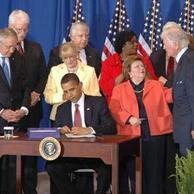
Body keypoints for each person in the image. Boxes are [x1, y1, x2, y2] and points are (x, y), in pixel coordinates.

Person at [109, 55, 173, 194]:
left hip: (154, 132)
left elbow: (169, 95)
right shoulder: (119, 89)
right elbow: (114, 109)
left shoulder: (155, 85)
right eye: (137, 67)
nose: (141, 68)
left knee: (155, 170)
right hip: (131, 134)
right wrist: (129, 118)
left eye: (142, 66)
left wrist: (183, 87)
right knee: (135, 171)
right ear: (129, 72)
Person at [46, 73, 116, 194]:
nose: (69, 94)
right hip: (71, 155)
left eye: (72, 89)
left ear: (80, 85)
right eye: (66, 91)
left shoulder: (98, 102)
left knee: (107, 168)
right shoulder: (62, 109)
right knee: (51, 166)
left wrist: (89, 129)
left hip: (96, 155)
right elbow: (55, 130)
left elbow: (111, 127)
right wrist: (60, 130)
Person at [8, 10, 48, 194]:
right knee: (10, 154)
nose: (21, 33)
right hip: (9, 110)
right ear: (9, 28)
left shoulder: (36, 48)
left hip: (32, 108)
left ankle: (30, 189)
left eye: (24, 29)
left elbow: (43, 75)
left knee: (30, 153)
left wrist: (37, 93)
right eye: (17, 29)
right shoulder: (3, 49)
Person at [0, 28, 30, 193]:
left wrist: (24, 109)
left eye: (15, 46)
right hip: (0, 119)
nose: (12, 50)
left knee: (13, 170)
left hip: (16, 123)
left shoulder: (18, 58)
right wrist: (1, 111)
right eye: (9, 47)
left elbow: (26, 87)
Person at [44, 42, 100, 123]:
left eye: (71, 57)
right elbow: (48, 95)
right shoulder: (55, 71)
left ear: (77, 55)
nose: (69, 60)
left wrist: (80, 96)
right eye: (65, 58)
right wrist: (62, 97)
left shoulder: (89, 71)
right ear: (62, 59)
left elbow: (96, 94)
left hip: (85, 114)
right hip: (60, 115)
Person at [161, 22, 194, 156]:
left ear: (176, 44)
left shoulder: (190, 61)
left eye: (165, 43)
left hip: (189, 131)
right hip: (184, 130)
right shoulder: (183, 61)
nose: (163, 47)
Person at [99, 30, 157, 103]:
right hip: (118, 103)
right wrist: (126, 70)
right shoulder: (109, 62)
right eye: (132, 43)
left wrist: (143, 69)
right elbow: (106, 89)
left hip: (141, 102)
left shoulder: (143, 60)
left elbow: (153, 84)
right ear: (122, 46)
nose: (136, 45)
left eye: (136, 42)